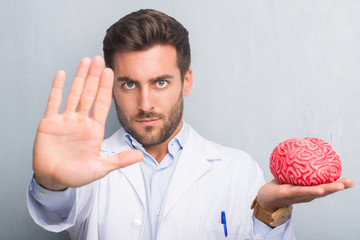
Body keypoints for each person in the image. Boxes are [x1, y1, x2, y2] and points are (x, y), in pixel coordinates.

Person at [27, 9, 354, 240]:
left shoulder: (237, 170)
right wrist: (51, 182)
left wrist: (269, 212)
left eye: (160, 83)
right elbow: (55, 213)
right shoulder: (88, 165)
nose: (144, 104)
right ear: (112, 86)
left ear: (187, 81)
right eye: (129, 84)